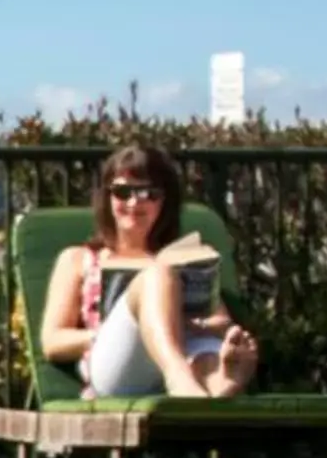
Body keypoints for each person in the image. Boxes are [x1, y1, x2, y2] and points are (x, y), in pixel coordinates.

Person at [38, 143, 260, 399]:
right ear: (107, 197)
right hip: (118, 366)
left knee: (205, 345)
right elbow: (52, 342)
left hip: (187, 351)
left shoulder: (183, 258)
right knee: (159, 274)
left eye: (148, 193)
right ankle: (179, 375)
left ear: (165, 201)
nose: (134, 202)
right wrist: (128, 329)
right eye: (122, 192)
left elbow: (220, 321)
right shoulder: (78, 259)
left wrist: (194, 324)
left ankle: (219, 384)